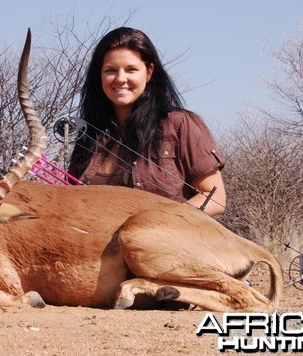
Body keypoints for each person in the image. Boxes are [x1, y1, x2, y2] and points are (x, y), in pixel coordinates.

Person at [67, 27, 226, 216]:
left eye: (131, 70)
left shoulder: (180, 124)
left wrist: (159, 224)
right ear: (99, 75)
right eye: (110, 70)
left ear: (149, 72)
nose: (120, 79)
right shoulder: (89, 137)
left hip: (167, 242)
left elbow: (214, 198)